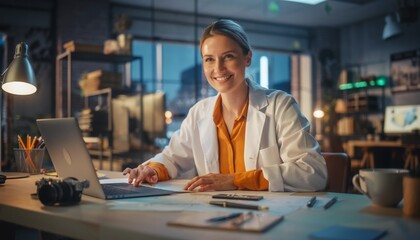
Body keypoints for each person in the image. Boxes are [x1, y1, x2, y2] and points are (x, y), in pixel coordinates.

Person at [123, 19, 327, 192]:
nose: (218, 68)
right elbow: (173, 157)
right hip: (214, 216)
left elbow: (313, 171)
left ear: (247, 58)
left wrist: (235, 180)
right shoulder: (199, 112)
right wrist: (152, 169)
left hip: (270, 219)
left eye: (228, 56)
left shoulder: (280, 105)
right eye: (209, 59)